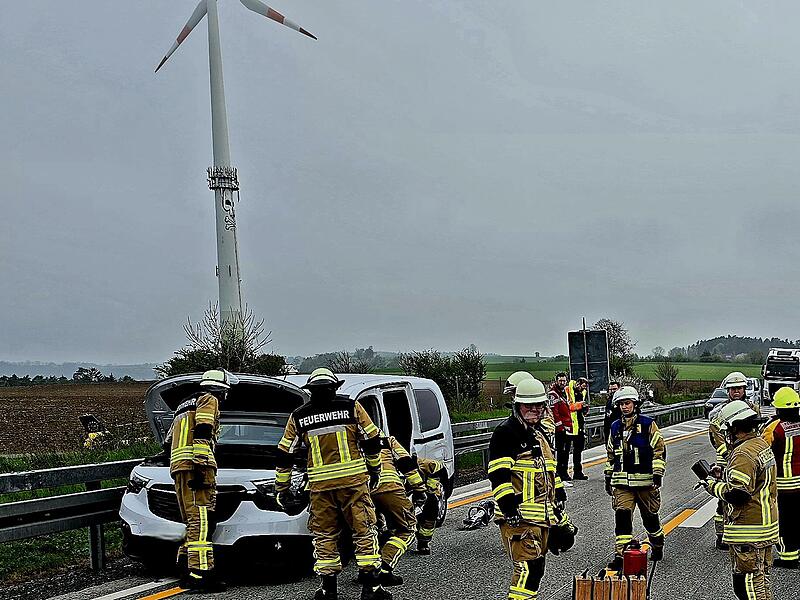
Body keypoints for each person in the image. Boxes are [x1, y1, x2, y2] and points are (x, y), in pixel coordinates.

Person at [275, 368, 391, 600]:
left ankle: (328, 589)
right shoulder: (351, 407)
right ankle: (371, 588)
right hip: (354, 484)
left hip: (320, 488)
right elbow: (371, 439)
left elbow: (285, 453)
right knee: (364, 529)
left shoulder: (299, 416)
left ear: (311, 391)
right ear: (335, 387)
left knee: (325, 535)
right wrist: (375, 468)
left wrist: (282, 488)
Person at [488, 378, 571, 600]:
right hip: (518, 518)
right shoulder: (506, 433)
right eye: (529, 406)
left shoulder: (538, 434)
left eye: (539, 406)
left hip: (540, 518)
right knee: (527, 569)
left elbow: (549, 472)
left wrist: (559, 510)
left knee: (537, 568)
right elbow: (498, 474)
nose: (535, 410)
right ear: (517, 406)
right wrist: (508, 508)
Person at [701, 400, 779, 600]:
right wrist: (726, 474)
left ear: (735, 428)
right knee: (760, 584)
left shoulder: (742, 453)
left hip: (749, 532)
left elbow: (739, 495)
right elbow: (754, 480)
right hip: (764, 526)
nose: (726, 434)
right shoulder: (759, 444)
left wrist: (713, 486)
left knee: (748, 589)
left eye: (727, 429)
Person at [168, 369, 237, 593]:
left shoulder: (182, 404)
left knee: (191, 520)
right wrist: (200, 465)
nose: (225, 398)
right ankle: (201, 574)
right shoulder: (208, 398)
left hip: (178, 466)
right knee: (202, 520)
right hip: (196, 465)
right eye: (225, 393)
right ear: (220, 389)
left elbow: (167, 441)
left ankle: (185, 569)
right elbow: (204, 429)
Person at [604, 386, 666, 570]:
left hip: (646, 483)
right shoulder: (615, 427)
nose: (624, 407)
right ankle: (621, 555)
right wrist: (608, 476)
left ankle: (657, 543)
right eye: (621, 404)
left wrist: (657, 474)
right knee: (622, 516)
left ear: (635, 404)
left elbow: (659, 450)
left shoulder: (648, 425)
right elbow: (610, 455)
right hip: (622, 484)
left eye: (627, 403)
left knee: (650, 519)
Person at [708, 371, 762, 550]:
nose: (736, 392)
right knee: (722, 500)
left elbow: (757, 433)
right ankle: (721, 535)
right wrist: (728, 454)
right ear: (727, 391)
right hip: (726, 459)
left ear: (745, 389)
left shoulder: (753, 409)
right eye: (732, 389)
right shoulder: (720, 411)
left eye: (739, 388)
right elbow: (715, 434)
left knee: (746, 495)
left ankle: (744, 533)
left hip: (747, 458)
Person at [368, 433, 426, 585]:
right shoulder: (388, 441)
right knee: (407, 529)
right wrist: (419, 489)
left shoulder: (353, 443)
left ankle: (366, 571)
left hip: (364, 491)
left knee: (368, 533)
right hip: (390, 488)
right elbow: (406, 463)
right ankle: (384, 569)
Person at [761, 387, 800, 568]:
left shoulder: (773, 429)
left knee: (784, 522)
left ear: (778, 409)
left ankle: (788, 558)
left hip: (783, 486)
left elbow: (761, 453)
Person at [552, 376, 590, 480]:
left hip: (579, 425)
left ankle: (578, 472)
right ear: (577, 383)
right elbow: (569, 407)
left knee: (578, 450)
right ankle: (562, 473)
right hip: (569, 426)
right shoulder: (568, 390)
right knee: (564, 451)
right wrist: (580, 405)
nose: (583, 388)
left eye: (584, 387)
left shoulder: (583, 392)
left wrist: (585, 409)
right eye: (582, 386)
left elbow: (579, 409)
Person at [414, 455, 447, 555]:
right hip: (397, 493)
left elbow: (437, 467)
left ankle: (423, 542)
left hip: (421, 491)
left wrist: (431, 489)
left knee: (432, 506)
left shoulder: (421, 464)